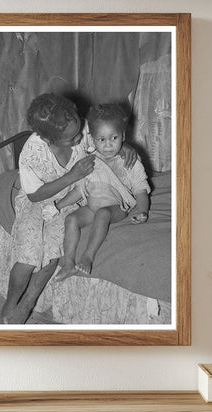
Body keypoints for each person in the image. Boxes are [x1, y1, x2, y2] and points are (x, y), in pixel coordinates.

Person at [1, 94, 137, 324]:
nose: (78, 139)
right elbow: (35, 195)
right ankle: (10, 304)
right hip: (36, 200)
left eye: (78, 133)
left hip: (73, 198)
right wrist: (73, 175)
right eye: (70, 139)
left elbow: (105, 140)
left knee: (52, 253)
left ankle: (27, 304)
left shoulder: (82, 129)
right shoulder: (32, 152)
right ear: (46, 138)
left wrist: (126, 147)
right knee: (28, 258)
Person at [54, 103, 150, 281]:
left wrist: (142, 211)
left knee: (102, 214)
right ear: (92, 139)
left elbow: (140, 190)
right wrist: (57, 206)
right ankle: (68, 263)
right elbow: (79, 189)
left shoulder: (130, 161)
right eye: (101, 140)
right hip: (92, 206)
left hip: (116, 207)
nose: (108, 145)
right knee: (71, 219)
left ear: (123, 135)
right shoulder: (90, 161)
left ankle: (87, 256)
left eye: (114, 138)